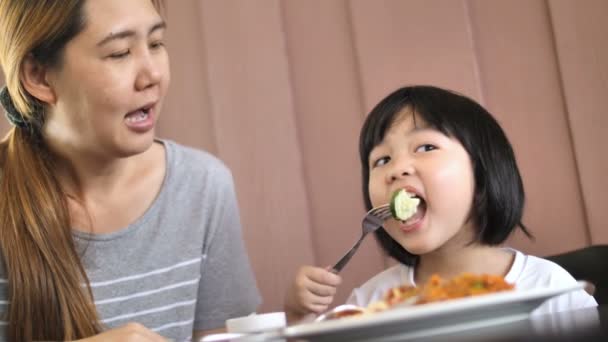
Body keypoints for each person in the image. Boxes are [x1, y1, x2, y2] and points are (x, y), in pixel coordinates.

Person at [0, 0, 260, 341]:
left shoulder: (203, 187)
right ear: (38, 75)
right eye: (120, 52)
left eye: (155, 44)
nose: (152, 75)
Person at [284, 85, 597, 322]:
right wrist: (299, 320)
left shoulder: (548, 287)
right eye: (381, 160)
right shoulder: (370, 303)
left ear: (482, 172)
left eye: (425, 147)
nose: (397, 169)